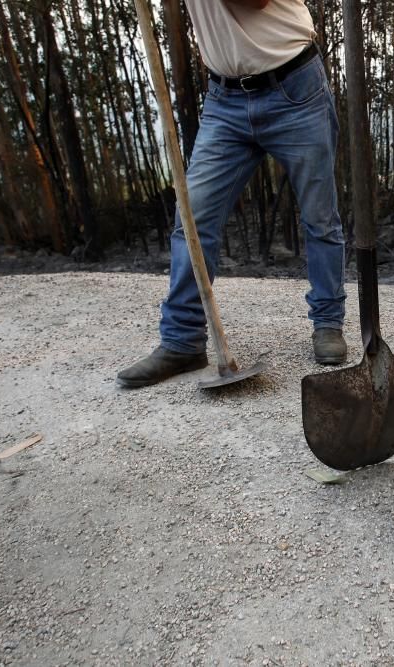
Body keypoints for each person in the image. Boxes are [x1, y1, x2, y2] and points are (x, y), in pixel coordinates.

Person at [117, 0, 347, 388]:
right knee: (193, 218)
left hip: (295, 88)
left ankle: (327, 323)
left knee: (319, 218)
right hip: (225, 100)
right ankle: (183, 341)